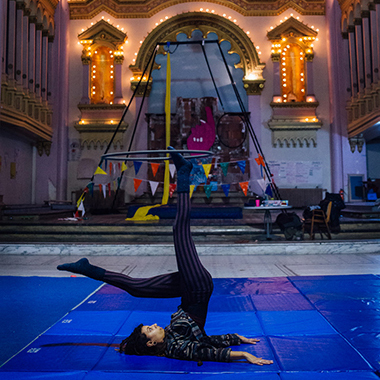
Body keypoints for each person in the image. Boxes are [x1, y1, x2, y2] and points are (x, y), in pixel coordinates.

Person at [57, 147, 273, 366]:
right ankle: (184, 173)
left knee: (136, 288)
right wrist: (244, 355)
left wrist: (237, 339)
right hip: (198, 288)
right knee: (179, 229)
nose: (153, 325)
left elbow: (207, 339)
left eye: (149, 327)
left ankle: (87, 268)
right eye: (150, 330)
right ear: (151, 343)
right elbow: (206, 352)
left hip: (187, 289)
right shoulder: (177, 347)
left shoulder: (170, 337)